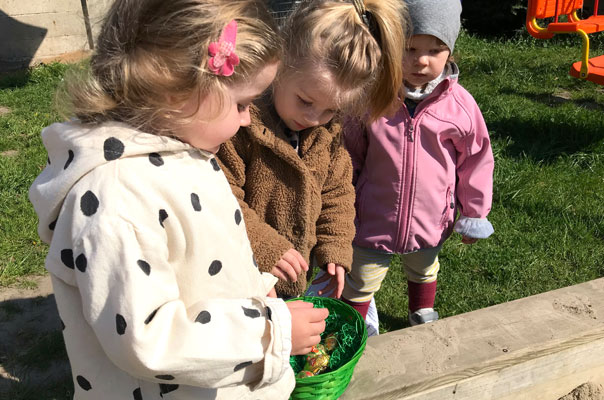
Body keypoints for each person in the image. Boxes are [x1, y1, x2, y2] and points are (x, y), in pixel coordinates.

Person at [28, 1, 329, 398]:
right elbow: (145, 338)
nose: (246, 120)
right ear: (177, 88)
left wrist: (255, 287)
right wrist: (268, 332)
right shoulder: (115, 198)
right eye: (241, 103)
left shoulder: (184, 150)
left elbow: (205, 252)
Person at [217, 0, 407, 302]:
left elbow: (338, 194)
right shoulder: (240, 126)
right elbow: (220, 196)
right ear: (281, 62)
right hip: (238, 281)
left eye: (331, 110)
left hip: (291, 285)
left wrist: (334, 247)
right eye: (305, 101)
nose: (313, 118)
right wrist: (265, 244)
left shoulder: (326, 137)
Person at [341, 0, 495, 329]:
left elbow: (476, 160)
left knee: (425, 268)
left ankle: (421, 312)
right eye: (409, 48)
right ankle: (351, 328)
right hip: (371, 217)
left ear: (449, 54)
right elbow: (349, 153)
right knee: (360, 279)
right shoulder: (371, 97)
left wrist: (474, 212)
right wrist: (340, 204)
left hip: (430, 217)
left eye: (435, 50)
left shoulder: (460, 106)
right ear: (391, 44)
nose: (421, 61)